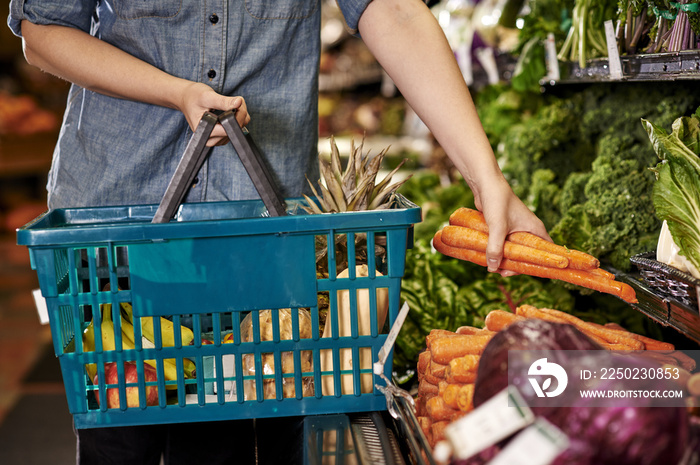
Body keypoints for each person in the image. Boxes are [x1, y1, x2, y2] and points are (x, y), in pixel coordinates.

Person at [8, 0, 549, 463]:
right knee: (120, 443)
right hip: (113, 229)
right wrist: (174, 92)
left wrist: (486, 177)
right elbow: (43, 31)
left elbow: (395, 11)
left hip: (260, 235)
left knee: (239, 444)